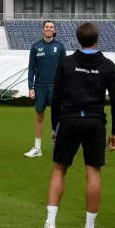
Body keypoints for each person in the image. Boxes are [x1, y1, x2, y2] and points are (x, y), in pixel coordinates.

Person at [39, 22, 115, 228]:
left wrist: (54, 126)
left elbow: (56, 98)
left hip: (68, 121)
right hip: (95, 122)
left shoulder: (66, 63)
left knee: (59, 170)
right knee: (92, 172)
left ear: (78, 39)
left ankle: (49, 224)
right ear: (97, 39)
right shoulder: (108, 65)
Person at [24, 20, 67, 158]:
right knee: (39, 116)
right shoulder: (36, 47)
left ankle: (59, 145)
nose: (49, 29)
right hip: (40, 87)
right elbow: (31, 68)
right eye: (46, 27)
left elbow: (65, 69)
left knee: (58, 117)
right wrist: (30, 87)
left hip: (56, 87)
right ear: (43, 30)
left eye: (51, 27)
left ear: (54, 30)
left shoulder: (60, 47)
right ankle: (37, 148)